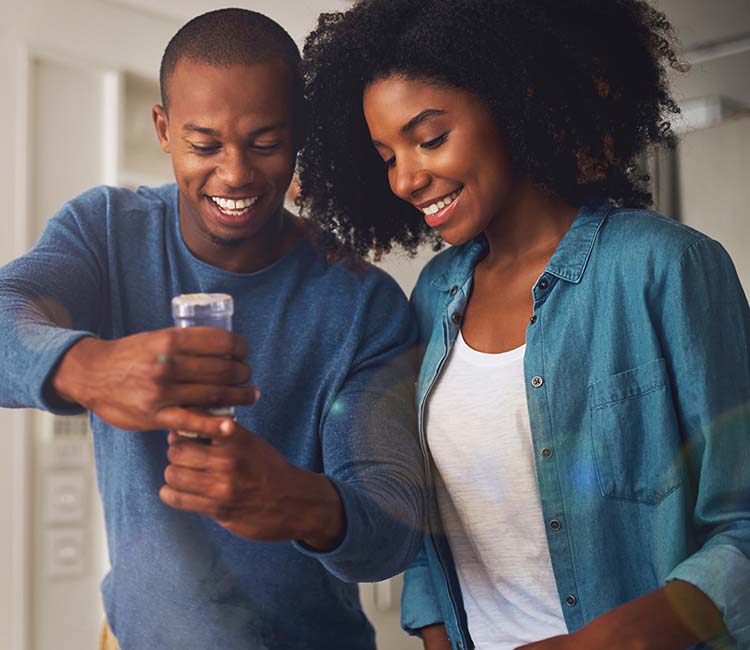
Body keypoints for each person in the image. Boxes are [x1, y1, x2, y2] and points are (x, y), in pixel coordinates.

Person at [298, 0, 750, 648]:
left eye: (429, 139)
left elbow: (743, 526)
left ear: (514, 99)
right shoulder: (432, 296)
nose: (405, 178)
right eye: (386, 155)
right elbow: (431, 520)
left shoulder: (665, 269)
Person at [0, 8, 425, 650]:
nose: (234, 174)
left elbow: (393, 528)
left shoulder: (361, 304)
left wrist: (301, 502)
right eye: (204, 145)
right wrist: (88, 368)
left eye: (264, 143)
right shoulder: (106, 232)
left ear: (300, 135)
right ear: (164, 130)